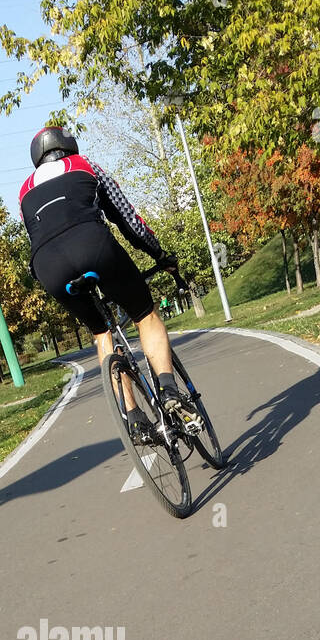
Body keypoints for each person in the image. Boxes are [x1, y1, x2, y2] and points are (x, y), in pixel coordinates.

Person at [19, 126, 200, 443]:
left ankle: (133, 418)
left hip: (48, 267)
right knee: (145, 314)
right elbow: (128, 219)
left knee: (102, 332)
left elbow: (36, 238)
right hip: (93, 244)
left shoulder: (24, 191)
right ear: (69, 147)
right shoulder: (85, 165)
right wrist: (158, 253)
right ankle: (169, 389)